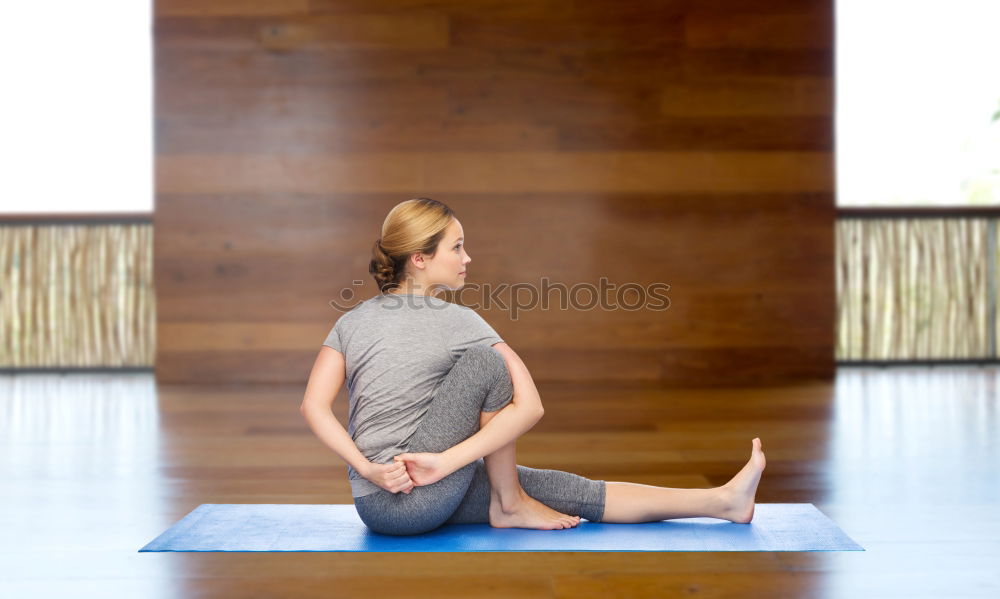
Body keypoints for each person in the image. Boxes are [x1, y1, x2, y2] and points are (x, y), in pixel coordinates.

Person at [300, 198, 766, 536]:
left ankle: (723, 501)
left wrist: (370, 469)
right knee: (488, 364)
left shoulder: (350, 321)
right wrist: (443, 464)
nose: (467, 259)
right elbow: (530, 406)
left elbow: (313, 408)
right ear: (419, 260)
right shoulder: (460, 322)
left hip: (376, 506)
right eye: (456, 248)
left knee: (558, 489)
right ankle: (509, 503)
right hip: (419, 495)